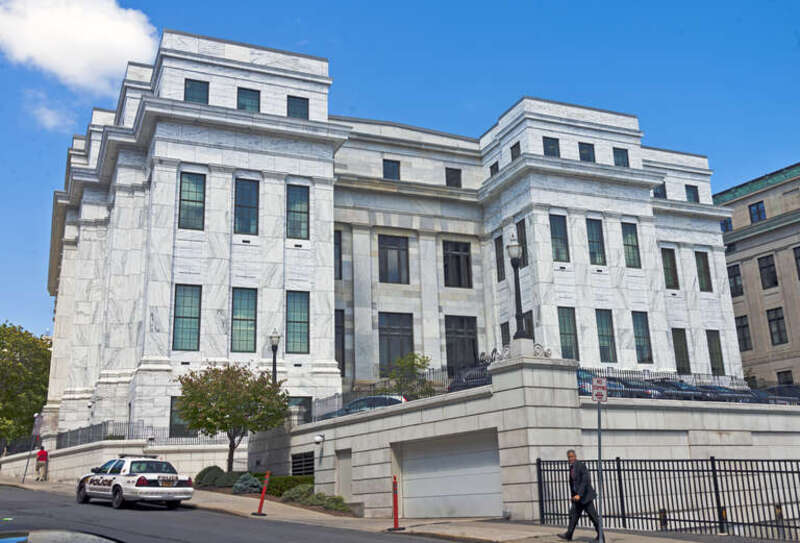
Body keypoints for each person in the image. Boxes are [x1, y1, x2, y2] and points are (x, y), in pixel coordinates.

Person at [558, 449, 600, 542]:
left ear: (575, 457)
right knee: (574, 516)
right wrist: (573, 496)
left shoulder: (581, 466)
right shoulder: (572, 468)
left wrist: (579, 495)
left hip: (585, 497)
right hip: (577, 498)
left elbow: (585, 481)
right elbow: (574, 484)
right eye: (569, 457)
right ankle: (568, 535)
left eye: (572, 456)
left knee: (593, 517)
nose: (570, 458)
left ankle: (601, 537)